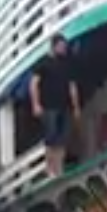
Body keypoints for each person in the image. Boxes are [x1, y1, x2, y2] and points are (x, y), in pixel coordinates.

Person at [29, 34, 81, 177]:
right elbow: (33, 84)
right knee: (51, 137)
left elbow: (72, 86)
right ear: (54, 46)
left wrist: (76, 107)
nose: (64, 49)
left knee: (63, 139)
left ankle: (59, 168)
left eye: (65, 46)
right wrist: (36, 104)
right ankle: (50, 168)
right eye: (62, 46)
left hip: (65, 106)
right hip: (48, 106)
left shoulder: (66, 64)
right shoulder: (43, 62)